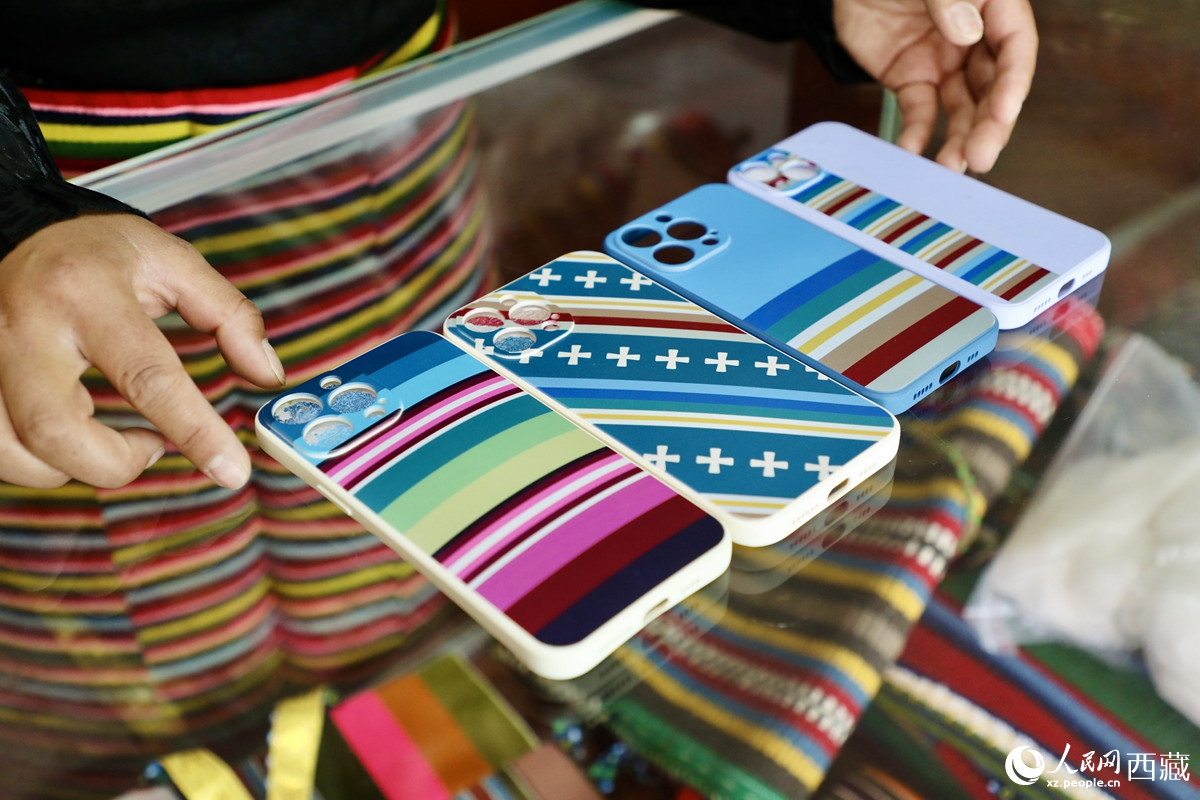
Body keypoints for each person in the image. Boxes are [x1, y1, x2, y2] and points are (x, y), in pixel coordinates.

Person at [0, 0, 1036, 796]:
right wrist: (13, 210)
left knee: (397, 570)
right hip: (69, 211)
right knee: (151, 631)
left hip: (396, 129)